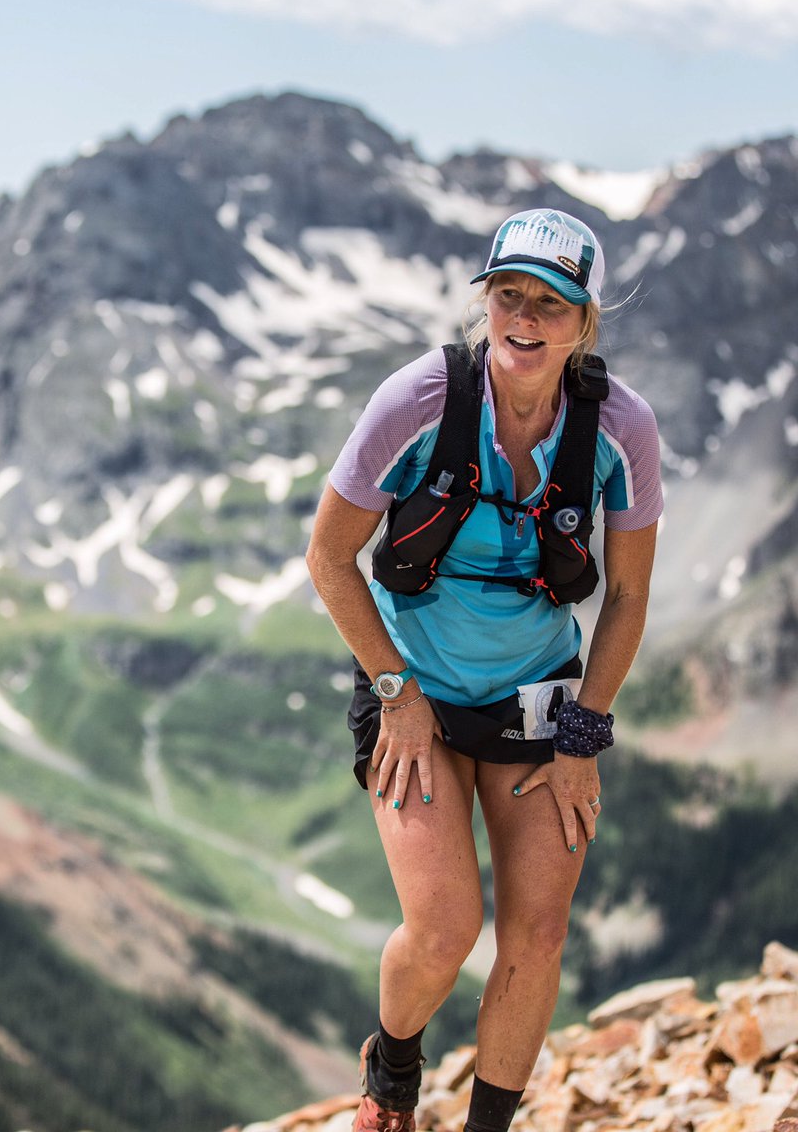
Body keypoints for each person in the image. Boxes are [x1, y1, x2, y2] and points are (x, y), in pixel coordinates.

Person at [305, 209, 662, 1132]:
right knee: (443, 931)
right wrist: (397, 695)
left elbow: (624, 598)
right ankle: (392, 1074)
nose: (526, 318)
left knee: (537, 935)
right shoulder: (419, 399)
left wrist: (584, 736)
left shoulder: (621, 428)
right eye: (509, 294)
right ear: (485, 299)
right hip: (408, 688)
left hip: (538, 700)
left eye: (552, 302)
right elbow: (328, 557)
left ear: (586, 320)